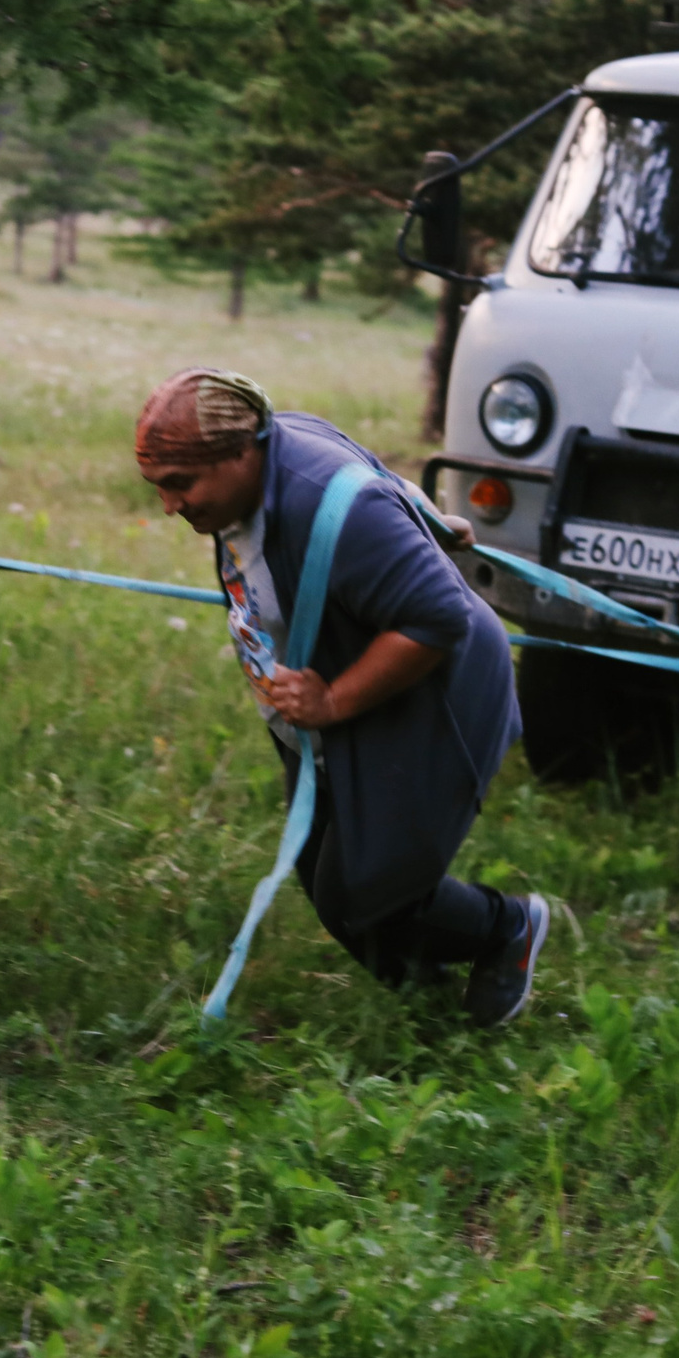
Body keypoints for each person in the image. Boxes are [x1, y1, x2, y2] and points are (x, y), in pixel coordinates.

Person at [135, 368, 548, 1025]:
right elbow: (372, 473)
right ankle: (437, 1014)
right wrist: (417, 516)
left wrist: (333, 702)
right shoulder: (264, 449)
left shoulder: (322, 501)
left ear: (242, 452)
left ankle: (507, 928)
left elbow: (439, 618)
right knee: (327, 883)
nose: (170, 504)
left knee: (370, 887)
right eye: (157, 486)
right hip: (334, 698)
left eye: (180, 484)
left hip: (428, 697)